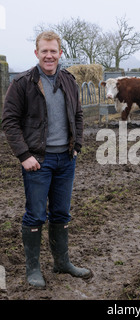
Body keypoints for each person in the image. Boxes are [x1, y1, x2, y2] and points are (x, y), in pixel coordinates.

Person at [2, 31, 92, 288]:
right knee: (35, 214)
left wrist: (78, 146)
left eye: (54, 51)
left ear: (60, 53)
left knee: (62, 212)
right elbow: (9, 121)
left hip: (66, 159)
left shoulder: (69, 81)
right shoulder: (22, 83)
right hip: (37, 162)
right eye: (44, 51)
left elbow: (77, 115)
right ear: (37, 53)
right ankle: (33, 269)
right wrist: (24, 155)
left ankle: (62, 263)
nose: (49, 56)